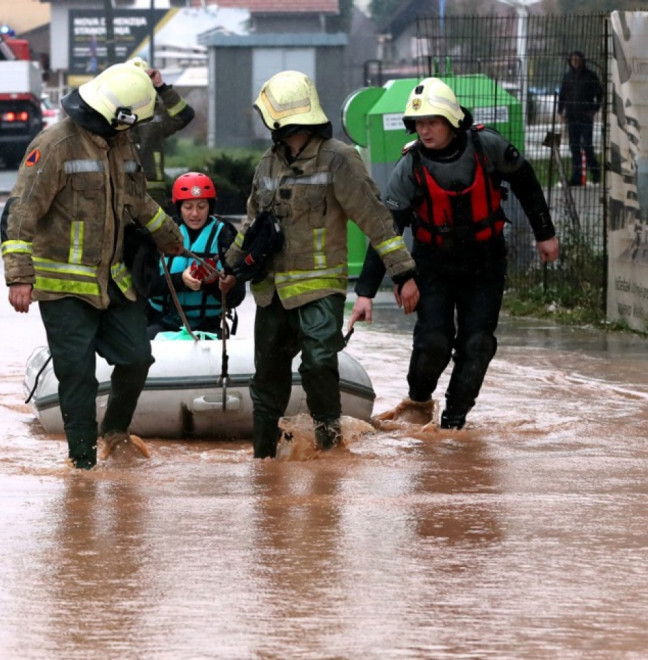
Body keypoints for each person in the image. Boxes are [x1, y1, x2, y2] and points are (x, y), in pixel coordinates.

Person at [220, 70, 419, 458]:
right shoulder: (268, 164)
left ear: (278, 118)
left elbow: (376, 220)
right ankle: (263, 462)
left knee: (319, 362)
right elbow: (251, 225)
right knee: (267, 382)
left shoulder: (339, 159)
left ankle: (330, 451)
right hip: (271, 292)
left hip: (319, 289)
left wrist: (404, 272)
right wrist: (229, 268)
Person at [1, 62, 186, 470]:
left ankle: (114, 432)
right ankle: (82, 463)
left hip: (115, 282)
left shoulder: (122, 143)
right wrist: (19, 277)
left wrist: (172, 239)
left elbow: (139, 202)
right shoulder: (52, 146)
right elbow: (21, 212)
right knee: (77, 374)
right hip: (63, 288)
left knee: (137, 357)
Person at [348, 77, 559, 430]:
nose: (425, 130)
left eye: (432, 122)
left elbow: (526, 183)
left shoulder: (487, 146)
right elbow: (388, 232)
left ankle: (452, 424)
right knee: (434, 341)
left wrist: (545, 234)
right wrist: (375, 288)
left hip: (485, 264)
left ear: (451, 119)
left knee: (478, 344)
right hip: (433, 266)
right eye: (419, 123)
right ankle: (417, 403)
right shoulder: (410, 167)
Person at [145, 171, 245, 338]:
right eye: (188, 207)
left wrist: (212, 283)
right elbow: (146, 287)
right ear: (179, 207)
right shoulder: (162, 234)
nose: (195, 214)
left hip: (208, 325)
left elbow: (237, 296)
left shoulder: (225, 236)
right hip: (163, 322)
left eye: (201, 206)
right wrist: (180, 280)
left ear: (210, 206)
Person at [129, 59, 195, 201]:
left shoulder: (157, 112)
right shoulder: (111, 112)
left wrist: (162, 87)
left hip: (153, 192)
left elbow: (185, 115)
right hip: (121, 191)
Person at [557, 50, 602, 186]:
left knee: (587, 146)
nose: (575, 61)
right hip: (572, 117)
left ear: (582, 60)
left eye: (577, 59)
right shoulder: (567, 76)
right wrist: (561, 112)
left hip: (585, 117)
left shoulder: (590, 76)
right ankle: (577, 177)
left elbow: (599, 94)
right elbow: (562, 95)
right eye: (573, 59)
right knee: (574, 147)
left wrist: (594, 109)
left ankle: (595, 173)